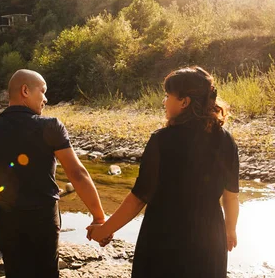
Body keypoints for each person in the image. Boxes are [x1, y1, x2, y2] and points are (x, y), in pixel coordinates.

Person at [88, 66, 240, 278]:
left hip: (164, 237)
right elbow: (231, 196)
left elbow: (139, 198)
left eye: (168, 96)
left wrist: (105, 230)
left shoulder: (162, 140)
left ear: (184, 102)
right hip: (209, 238)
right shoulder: (226, 139)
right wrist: (230, 229)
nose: (164, 101)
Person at [0, 69, 107, 278]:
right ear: (25, 91)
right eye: (43, 91)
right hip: (43, 220)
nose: (45, 99)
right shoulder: (51, 126)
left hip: (8, 222)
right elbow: (77, 174)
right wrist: (99, 217)